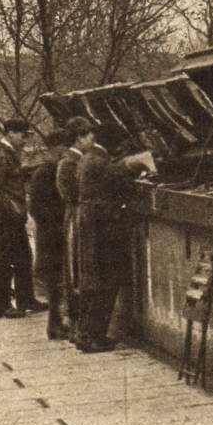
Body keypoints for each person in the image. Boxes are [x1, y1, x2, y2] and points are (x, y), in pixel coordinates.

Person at [70, 130, 150, 352]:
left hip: (93, 225)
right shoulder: (99, 160)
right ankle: (92, 337)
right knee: (106, 281)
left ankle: (85, 334)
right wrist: (143, 166)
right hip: (103, 227)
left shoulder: (88, 157)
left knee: (95, 281)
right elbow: (116, 175)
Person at [0, 118, 46, 319]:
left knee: (23, 258)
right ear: (9, 133)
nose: (24, 140)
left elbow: (10, 179)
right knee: (4, 261)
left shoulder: (7, 154)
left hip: (12, 217)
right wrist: (14, 209)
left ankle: (25, 299)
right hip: (6, 218)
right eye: (22, 135)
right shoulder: (1, 156)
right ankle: (2, 305)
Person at [29, 128, 72, 341]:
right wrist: (58, 222)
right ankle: (55, 327)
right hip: (51, 234)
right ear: (56, 148)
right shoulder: (46, 172)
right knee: (56, 283)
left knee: (56, 283)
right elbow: (37, 208)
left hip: (49, 233)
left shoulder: (44, 170)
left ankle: (56, 325)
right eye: (63, 148)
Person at [56, 116, 95, 343]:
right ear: (79, 138)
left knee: (76, 271)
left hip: (76, 218)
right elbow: (72, 195)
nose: (92, 141)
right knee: (77, 272)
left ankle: (77, 326)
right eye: (90, 137)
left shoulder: (71, 160)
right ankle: (78, 327)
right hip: (77, 221)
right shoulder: (70, 163)